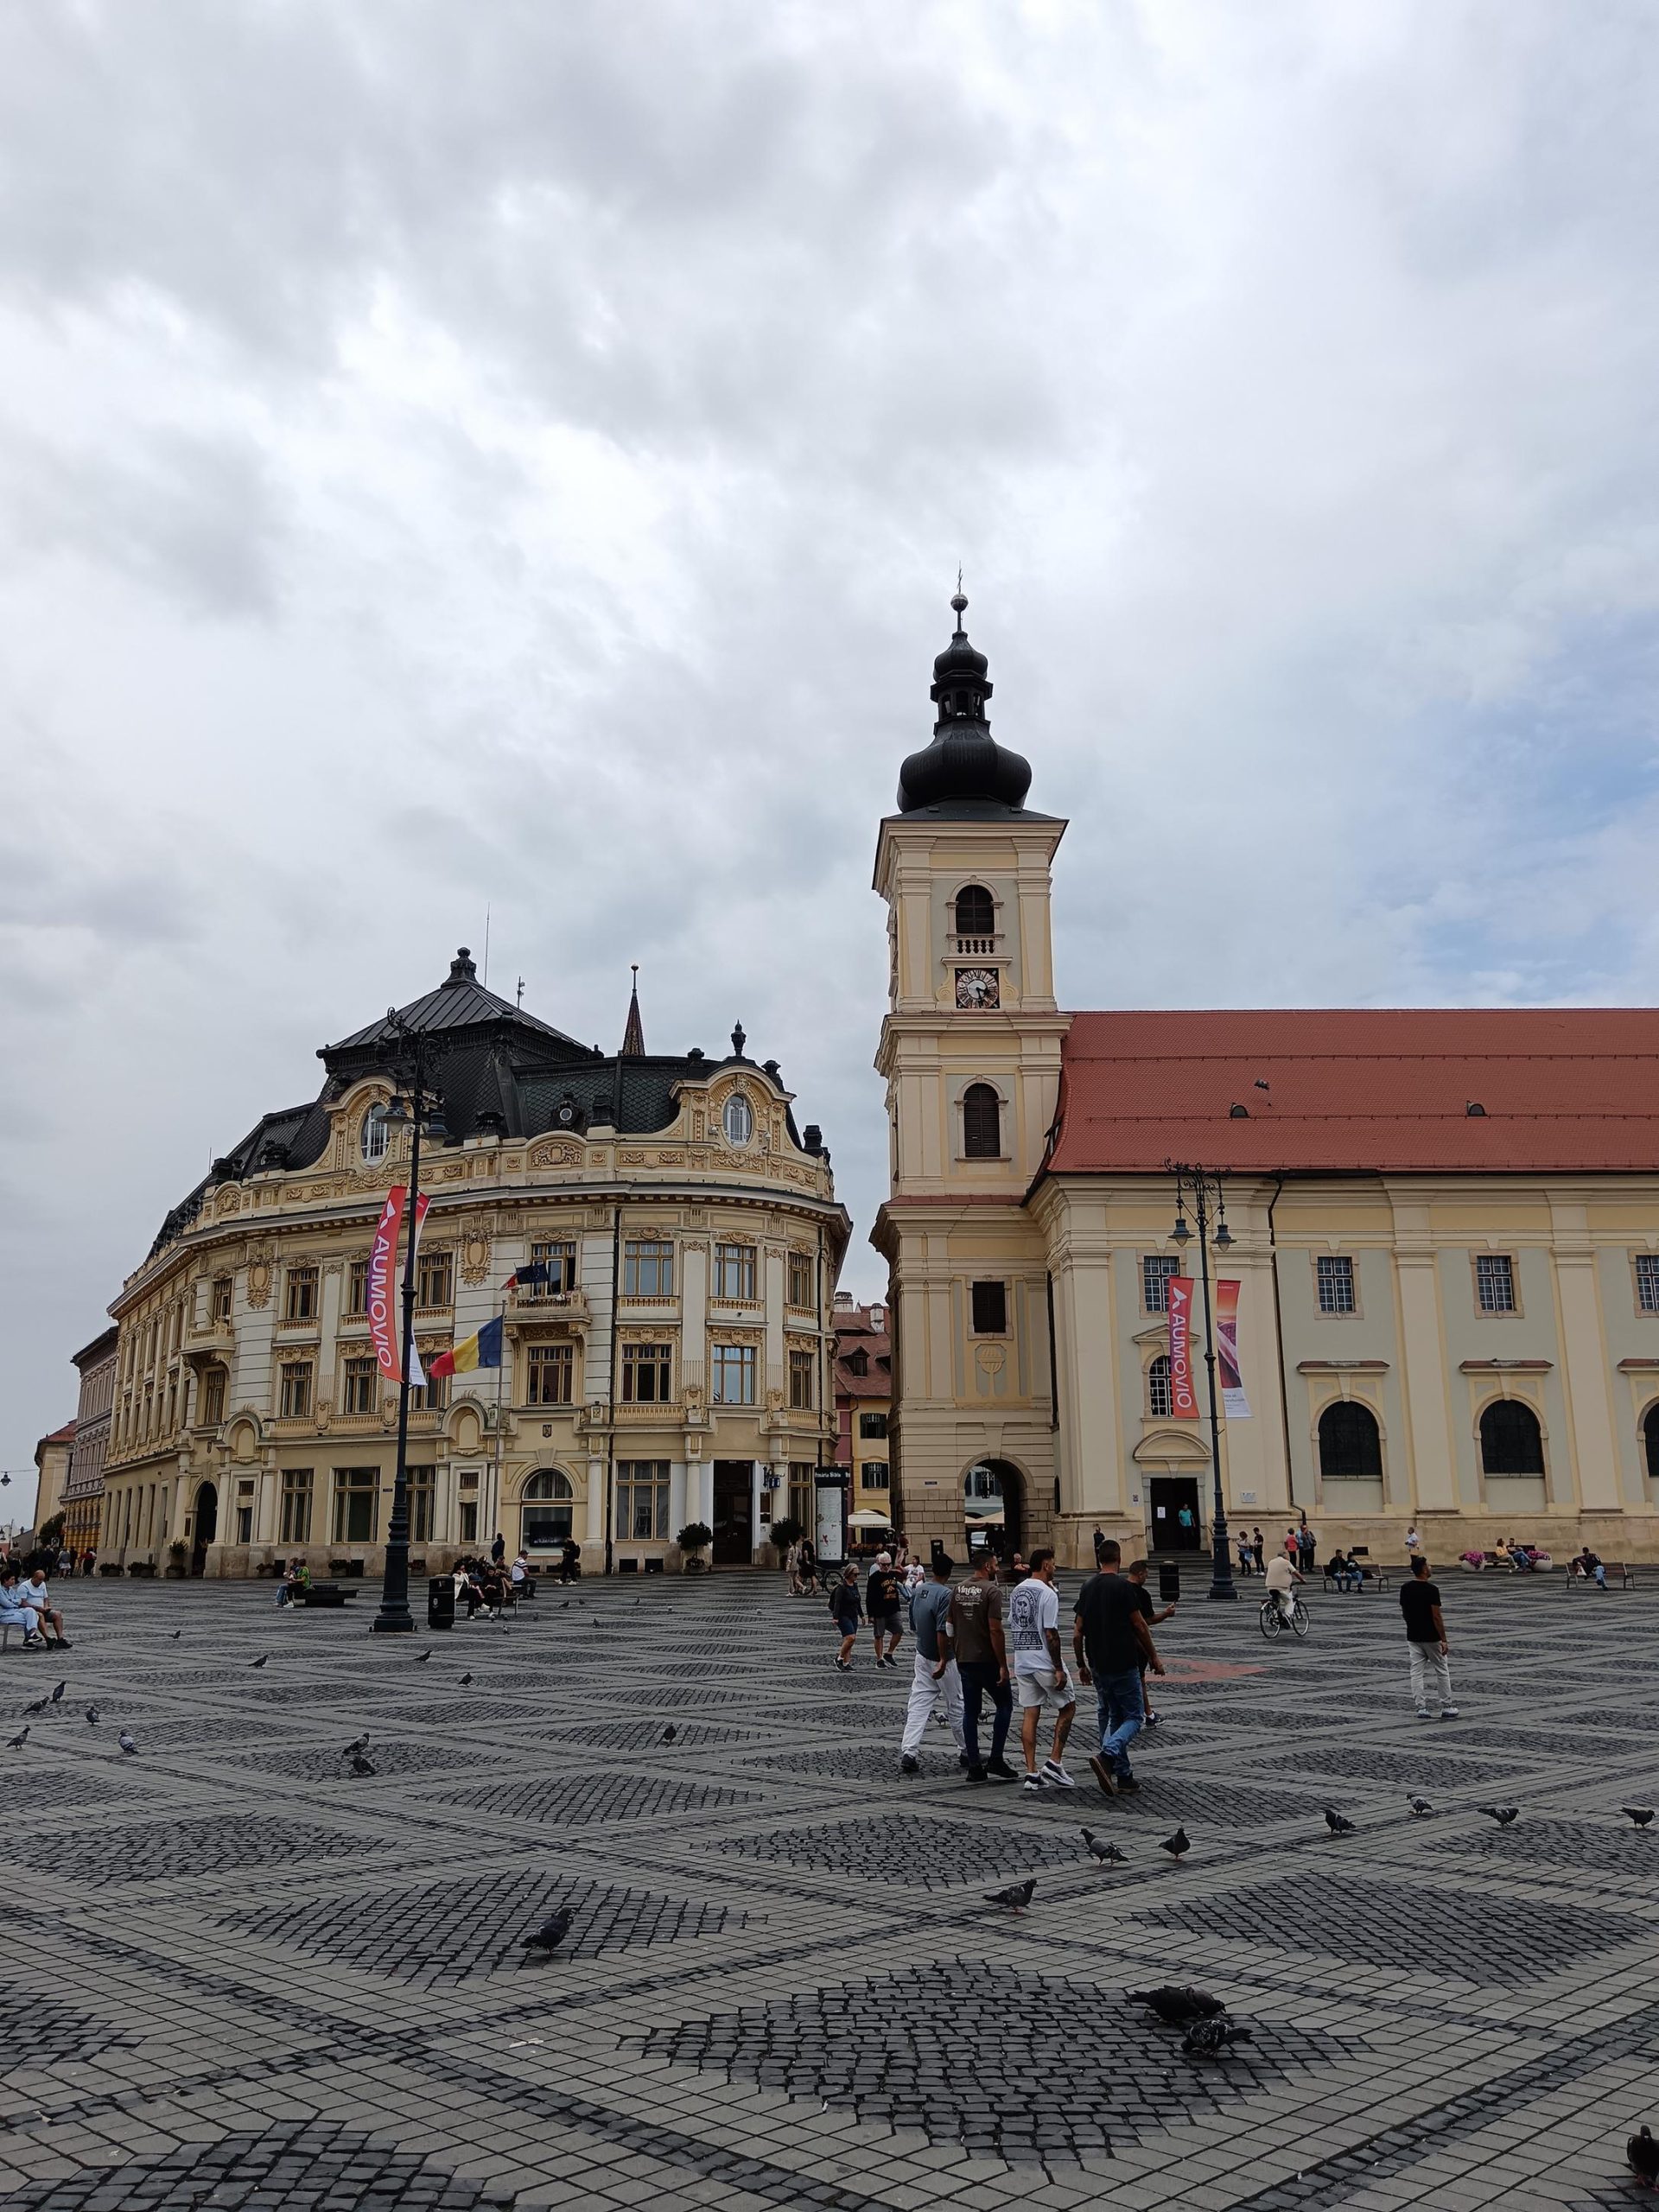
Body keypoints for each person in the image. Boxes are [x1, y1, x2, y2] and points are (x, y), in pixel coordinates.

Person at [1072, 1539, 1165, 1796]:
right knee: (1134, 1717)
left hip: (1098, 1664)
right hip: (1123, 1663)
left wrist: (1081, 1664)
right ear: (1119, 1558)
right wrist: (1154, 1657)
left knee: (1113, 1716)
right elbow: (1140, 1625)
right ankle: (1107, 1755)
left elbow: (1077, 1633)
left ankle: (1123, 1775)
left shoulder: (1087, 1586)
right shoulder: (1124, 1587)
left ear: (1099, 1559)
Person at [1007, 1548, 1076, 1793]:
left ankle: (1031, 1772)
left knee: (1030, 1713)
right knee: (1068, 1707)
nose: (1054, 1568)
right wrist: (1058, 1668)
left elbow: (1014, 1622)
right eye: (1053, 1564)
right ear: (1046, 1565)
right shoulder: (1048, 1594)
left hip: (1023, 1661)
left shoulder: (1017, 1590)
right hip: (1043, 1660)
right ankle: (1055, 1762)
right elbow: (1051, 1633)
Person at [948, 1548, 1016, 1783]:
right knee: (1005, 1705)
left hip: (965, 1659)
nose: (997, 1568)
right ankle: (996, 1758)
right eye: (995, 1564)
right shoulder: (991, 1591)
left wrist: (956, 1649)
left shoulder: (957, 1589)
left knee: (970, 1711)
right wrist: (1003, 1664)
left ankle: (974, 1766)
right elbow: (995, 1630)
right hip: (987, 1660)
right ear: (987, 1566)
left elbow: (949, 1625)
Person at [899, 1553, 965, 1773]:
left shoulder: (919, 1590)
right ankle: (966, 1750)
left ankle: (909, 1751)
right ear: (949, 1572)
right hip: (943, 1659)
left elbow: (913, 1624)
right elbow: (943, 1630)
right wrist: (944, 1659)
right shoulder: (946, 1595)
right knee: (956, 1704)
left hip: (922, 1654)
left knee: (918, 1704)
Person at [1401, 1554, 1458, 1719]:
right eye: (1429, 1565)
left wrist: (1411, 1626)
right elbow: (1436, 1616)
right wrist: (1444, 1639)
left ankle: (1421, 1707)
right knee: (1442, 1670)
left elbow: (1404, 1612)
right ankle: (1446, 1705)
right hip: (1431, 1636)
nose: (1430, 1567)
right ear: (1424, 1569)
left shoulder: (1405, 1588)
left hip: (1413, 1635)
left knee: (1416, 1672)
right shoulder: (1431, 1590)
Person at [1125, 1559, 1175, 1724]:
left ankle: (1145, 1713)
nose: (1146, 1578)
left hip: (1115, 1643)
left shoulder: (1119, 1589)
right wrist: (1166, 1614)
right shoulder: (1142, 1594)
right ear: (1140, 1574)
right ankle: (1147, 1714)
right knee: (1139, 1679)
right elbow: (1147, 1622)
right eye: (1146, 1575)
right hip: (1136, 1644)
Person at [866, 1552, 905, 1669]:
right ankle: (879, 1659)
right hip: (879, 1610)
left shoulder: (892, 1575)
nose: (886, 1567)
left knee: (899, 1630)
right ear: (879, 1564)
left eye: (888, 1564)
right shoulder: (874, 1578)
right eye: (884, 1565)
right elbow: (869, 1597)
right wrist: (870, 1614)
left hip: (893, 1609)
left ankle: (889, 1654)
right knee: (879, 1635)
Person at [16, 1567, 70, 1649]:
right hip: (31, 1611)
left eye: (42, 1580)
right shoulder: (24, 1586)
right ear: (34, 1577)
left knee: (57, 1614)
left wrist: (46, 1607)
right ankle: (48, 1638)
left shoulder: (42, 1584)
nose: (41, 1581)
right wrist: (37, 1608)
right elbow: (22, 1603)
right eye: (39, 1579)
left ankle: (60, 1639)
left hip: (42, 1609)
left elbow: (46, 1598)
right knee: (40, 1615)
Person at [0, 1568, 48, 1651]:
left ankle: (32, 1634)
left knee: (31, 1611)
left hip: (14, 1610)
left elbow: (19, 1600)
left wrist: (12, 1601)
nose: (14, 1581)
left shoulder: (11, 1589)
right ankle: (28, 1639)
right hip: (4, 1614)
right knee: (32, 1618)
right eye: (12, 1579)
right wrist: (14, 1602)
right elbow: (6, 1604)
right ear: (5, 1580)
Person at [829, 1564, 863, 1669]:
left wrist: (862, 1615)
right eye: (855, 1574)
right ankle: (839, 1659)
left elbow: (858, 1601)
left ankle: (846, 1663)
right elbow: (837, 1603)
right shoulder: (841, 1587)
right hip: (843, 1615)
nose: (857, 1576)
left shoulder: (855, 1585)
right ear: (849, 1574)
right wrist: (835, 1617)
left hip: (853, 1615)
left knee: (851, 1640)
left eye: (858, 1574)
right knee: (850, 1637)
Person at [1263, 1547, 1302, 1630]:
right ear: (1284, 1555)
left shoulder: (1271, 1562)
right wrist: (1303, 1580)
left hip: (1269, 1587)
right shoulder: (1286, 1562)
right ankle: (1287, 1617)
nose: (1289, 1556)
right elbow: (1296, 1573)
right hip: (1282, 1588)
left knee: (1276, 1602)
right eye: (1288, 1554)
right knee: (1289, 1602)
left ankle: (1276, 1617)